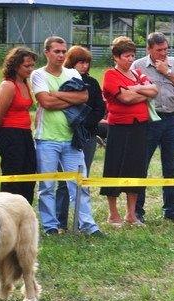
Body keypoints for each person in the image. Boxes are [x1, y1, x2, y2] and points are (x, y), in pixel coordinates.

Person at [31, 36, 102, 236]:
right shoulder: (38, 75)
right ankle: (50, 226)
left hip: (72, 138)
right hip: (47, 139)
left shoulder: (72, 73)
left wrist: (55, 94)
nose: (61, 55)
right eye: (56, 51)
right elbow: (45, 103)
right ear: (47, 53)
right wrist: (67, 99)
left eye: (63, 51)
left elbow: (84, 97)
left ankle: (88, 226)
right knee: (47, 186)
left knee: (80, 184)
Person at [132, 32, 174, 224]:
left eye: (166, 49)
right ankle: (138, 210)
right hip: (149, 120)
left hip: (171, 120)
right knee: (142, 166)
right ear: (149, 49)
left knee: (170, 167)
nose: (163, 53)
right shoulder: (138, 66)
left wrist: (168, 72)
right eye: (159, 50)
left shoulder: (173, 63)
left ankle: (171, 210)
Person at [101, 36, 158, 227]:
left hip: (139, 126)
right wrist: (142, 92)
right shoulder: (110, 75)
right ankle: (113, 214)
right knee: (114, 167)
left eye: (132, 55)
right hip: (119, 128)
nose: (130, 59)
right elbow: (125, 98)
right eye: (126, 56)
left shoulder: (138, 73)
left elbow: (155, 90)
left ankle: (131, 214)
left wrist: (135, 89)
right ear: (116, 57)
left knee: (136, 168)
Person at [55, 46, 106, 232]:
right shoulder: (64, 80)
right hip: (65, 135)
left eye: (87, 62)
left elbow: (100, 109)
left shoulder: (92, 83)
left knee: (83, 180)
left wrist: (83, 124)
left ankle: (81, 222)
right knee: (63, 182)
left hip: (88, 136)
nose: (84, 66)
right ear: (71, 63)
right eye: (80, 62)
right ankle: (61, 223)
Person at [0, 47, 37, 204]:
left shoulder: (25, 83)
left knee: (29, 171)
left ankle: (24, 209)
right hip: (10, 134)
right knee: (13, 173)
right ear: (15, 66)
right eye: (27, 66)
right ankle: (6, 210)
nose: (31, 69)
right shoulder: (8, 85)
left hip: (25, 133)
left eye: (32, 65)